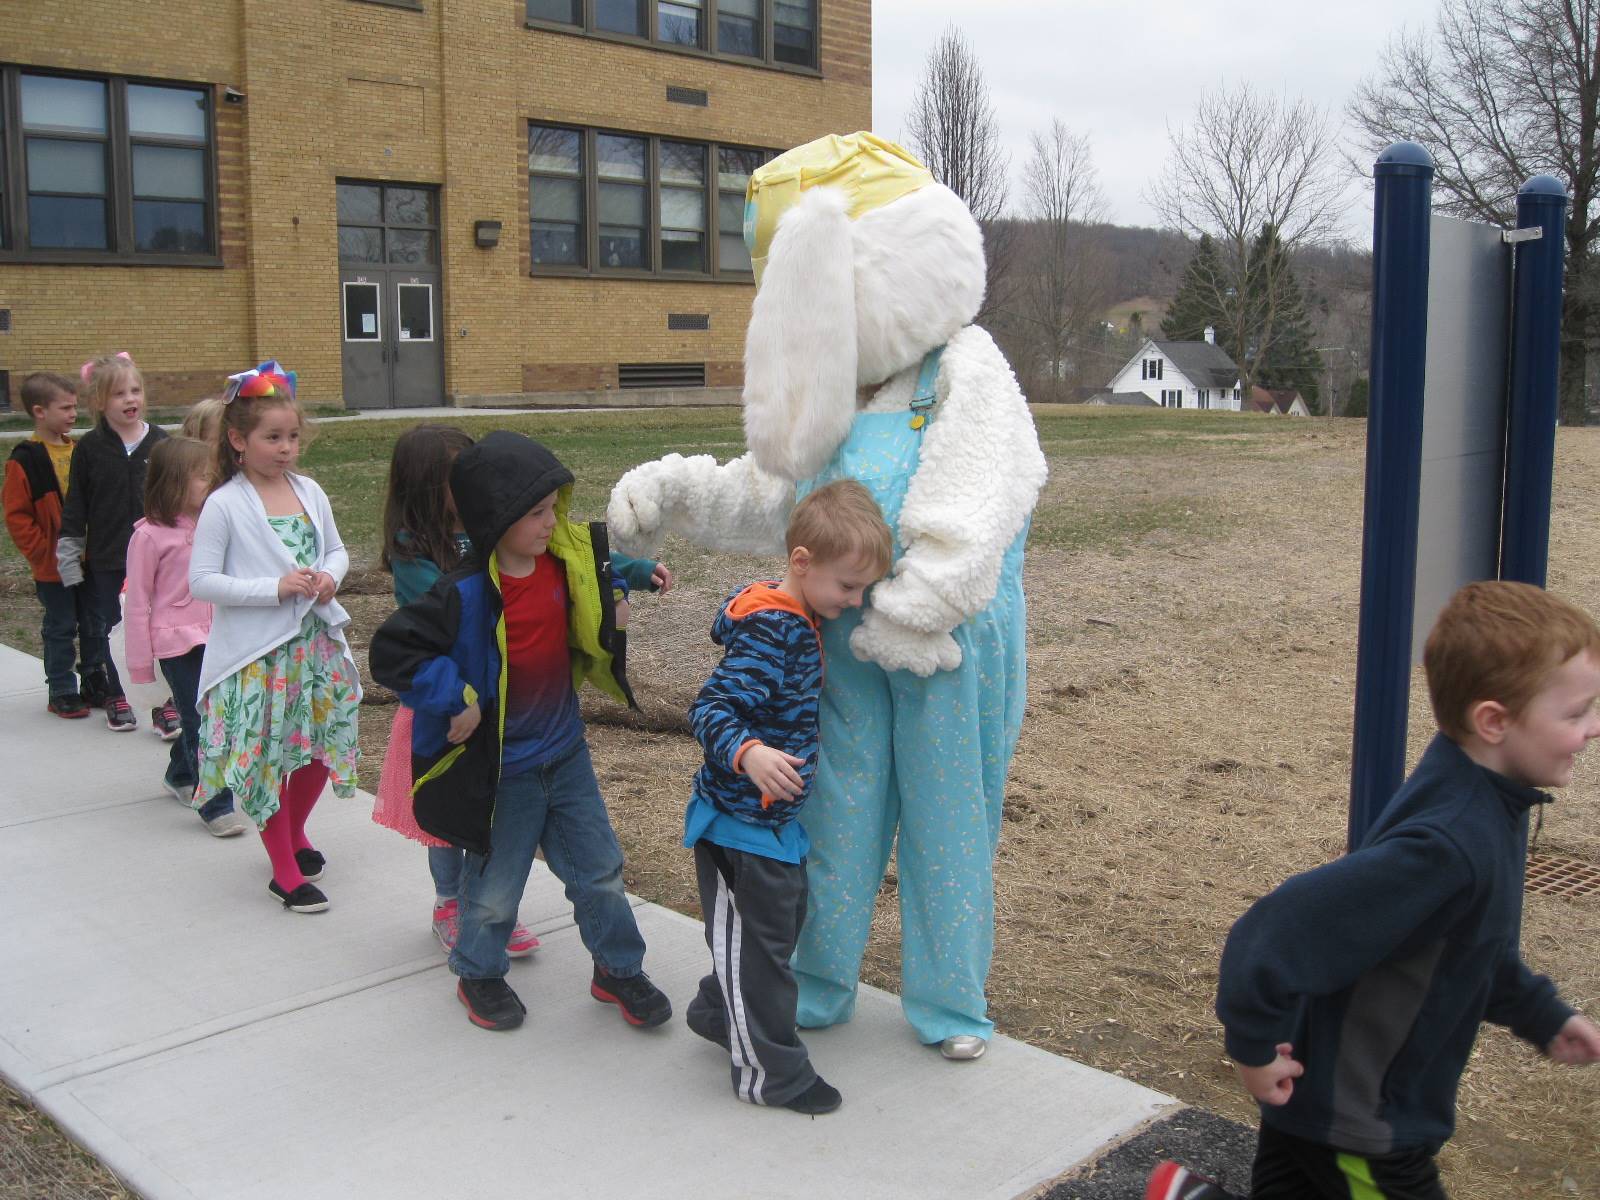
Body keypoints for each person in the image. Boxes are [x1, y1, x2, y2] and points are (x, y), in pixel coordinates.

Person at [1147, 581, 1600, 1200]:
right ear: (1494, 721)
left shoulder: (1487, 797)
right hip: (1361, 1123)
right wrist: (1253, 1047)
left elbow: (1466, 948)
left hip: (1342, 1106)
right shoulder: (1449, 844)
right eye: (1575, 714)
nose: (1592, 729)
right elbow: (1275, 932)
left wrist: (1541, 1013)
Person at [370, 430, 671, 1033]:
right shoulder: (463, 592)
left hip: (566, 754)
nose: (550, 521)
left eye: (554, 507)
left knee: (601, 870)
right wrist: (453, 697)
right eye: (536, 512)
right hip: (503, 771)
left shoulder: (565, 561)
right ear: (496, 517)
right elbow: (395, 652)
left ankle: (617, 969)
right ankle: (479, 972)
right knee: (494, 888)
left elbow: (601, 571)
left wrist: (622, 596)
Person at [684, 479, 891, 1116]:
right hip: (736, 826)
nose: (854, 602)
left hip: (772, 823)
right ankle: (770, 1074)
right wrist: (749, 753)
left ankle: (719, 1008)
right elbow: (711, 709)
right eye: (847, 587)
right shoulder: (775, 628)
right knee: (764, 956)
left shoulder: (796, 616)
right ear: (801, 562)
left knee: (774, 936)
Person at [189, 362, 360, 913]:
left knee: (321, 743)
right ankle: (282, 870)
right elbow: (202, 581)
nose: (286, 449)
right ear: (238, 440)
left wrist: (331, 575)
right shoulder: (225, 503)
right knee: (267, 758)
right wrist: (275, 587)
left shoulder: (309, 490)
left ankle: (295, 831)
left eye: (291, 437)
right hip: (260, 656)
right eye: (272, 438)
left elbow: (336, 549)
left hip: (315, 645)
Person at [123, 436, 246, 837]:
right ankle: (214, 802)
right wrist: (140, 665)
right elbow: (137, 602)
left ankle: (179, 772)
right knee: (202, 719)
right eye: (201, 477)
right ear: (173, 482)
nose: (211, 484)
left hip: (217, 635)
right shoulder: (148, 537)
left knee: (214, 715)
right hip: (176, 642)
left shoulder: (214, 524)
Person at [55, 352, 179, 736]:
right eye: (119, 394)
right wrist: (70, 555)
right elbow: (76, 503)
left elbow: (176, 500)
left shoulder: (161, 443)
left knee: (160, 628)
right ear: (99, 402)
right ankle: (117, 693)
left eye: (135, 391)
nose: (130, 399)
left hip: (157, 560)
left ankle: (164, 703)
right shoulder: (90, 448)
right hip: (108, 558)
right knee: (112, 627)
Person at [4, 372, 108, 718]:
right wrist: (42, 553)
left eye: (75, 406)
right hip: (53, 566)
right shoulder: (25, 460)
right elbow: (18, 517)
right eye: (65, 407)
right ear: (39, 411)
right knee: (61, 626)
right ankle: (62, 688)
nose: (72, 413)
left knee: (95, 623)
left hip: (89, 560)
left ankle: (95, 679)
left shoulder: (79, 450)